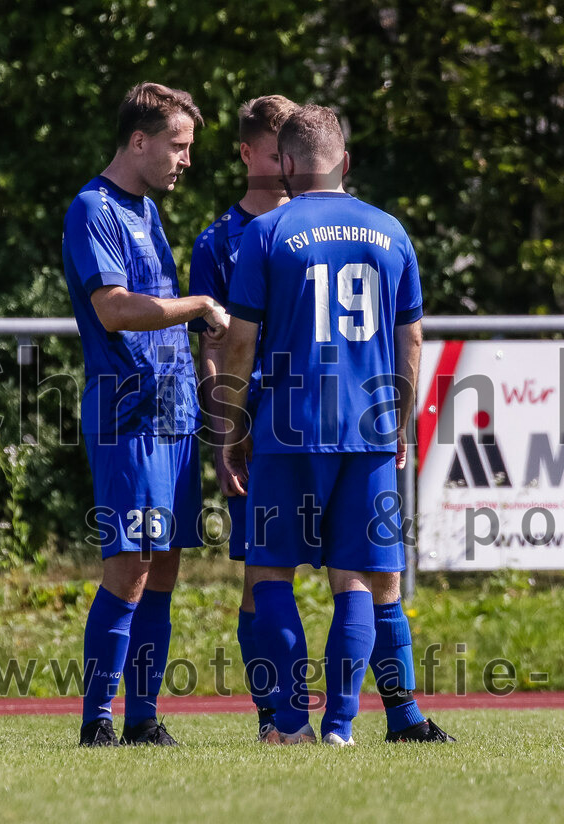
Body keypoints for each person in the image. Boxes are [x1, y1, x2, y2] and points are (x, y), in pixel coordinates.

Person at [221, 104, 453, 745]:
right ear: (345, 161)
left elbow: (240, 344)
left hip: (286, 426)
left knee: (271, 571)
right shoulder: (392, 232)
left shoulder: (263, 234)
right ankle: (342, 727)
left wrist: (233, 427)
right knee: (359, 575)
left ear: (286, 164)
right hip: (368, 429)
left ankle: (289, 723)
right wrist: (400, 421)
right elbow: (411, 343)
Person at [62, 81, 229, 747]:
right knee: (128, 565)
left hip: (173, 412)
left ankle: (143, 717)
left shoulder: (149, 212)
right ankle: (96, 719)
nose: (185, 160)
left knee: (164, 567)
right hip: (127, 415)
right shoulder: (92, 207)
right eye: (178, 145)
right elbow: (115, 308)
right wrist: (199, 306)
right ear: (140, 139)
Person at [189, 94, 299, 740]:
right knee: (261, 576)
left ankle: (368, 715)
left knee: (356, 572)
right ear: (247, 153)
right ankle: (273, 716)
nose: (285, 164)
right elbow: (211, 347)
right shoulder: (218, 241)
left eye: (293, 151)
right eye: (273, 150)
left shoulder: (320, 227)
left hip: (318, 425)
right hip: (256, 432)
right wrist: (228, 428)